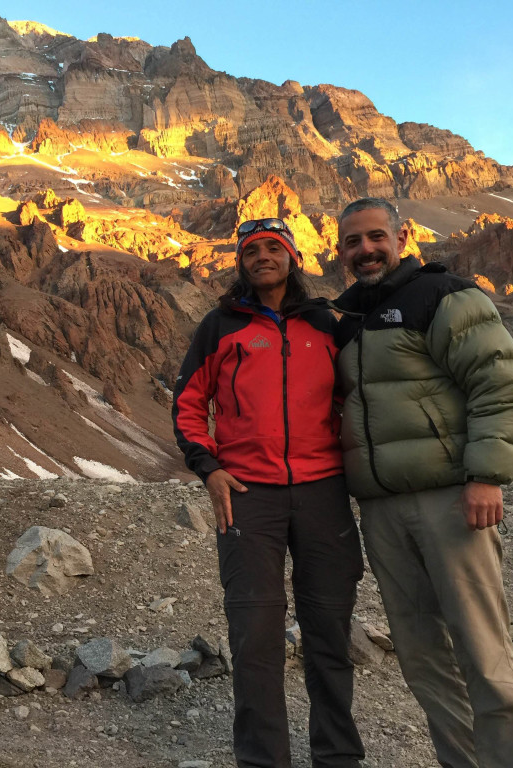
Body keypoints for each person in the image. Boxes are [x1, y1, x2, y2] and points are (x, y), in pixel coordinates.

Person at [333, 197, 513, 768]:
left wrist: (485, 476)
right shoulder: (345, 317)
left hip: (451, 502)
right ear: (340, 250)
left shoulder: (444, 295)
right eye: (353, 242)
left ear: (401, 237)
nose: (365, 250)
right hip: (381, 512)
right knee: (422, 658)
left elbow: (501, 385)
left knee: (483, 651)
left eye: (376, 237)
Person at [173, 218, 366, 768]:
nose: (261, 257)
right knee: (254, 637)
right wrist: (208, 467)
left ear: (292, 257)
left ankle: (338, 758)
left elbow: (361, 395)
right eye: (251, 250)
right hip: (246, 495)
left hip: (323, 491)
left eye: (272, 249)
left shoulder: (328, 324)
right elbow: (188, 403)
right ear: (240, 261)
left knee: (329, 632)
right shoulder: (220, 326)